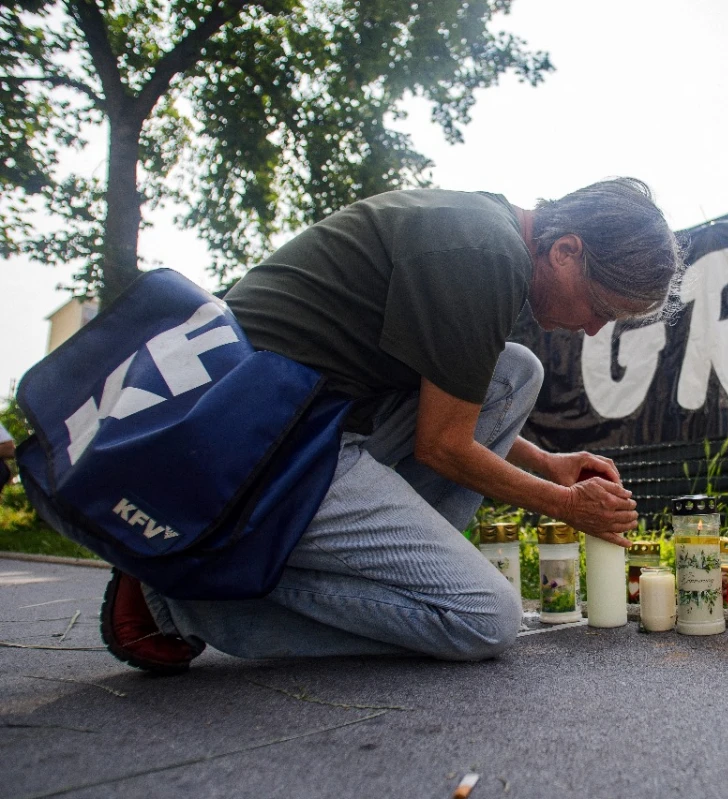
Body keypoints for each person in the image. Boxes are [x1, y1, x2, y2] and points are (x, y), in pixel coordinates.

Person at [102, 177, 685, 674]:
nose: (590, 331)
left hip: (309, 420)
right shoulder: (484, 259)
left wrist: (546, 463)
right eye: (600, 309)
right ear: (566, 251)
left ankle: (385, 579)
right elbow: (442, 446)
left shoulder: (484, 226)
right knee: (484, 620)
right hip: (261, 452)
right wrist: (565, 504)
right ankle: (177, 594)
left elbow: (443, 403)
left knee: (514, 372)